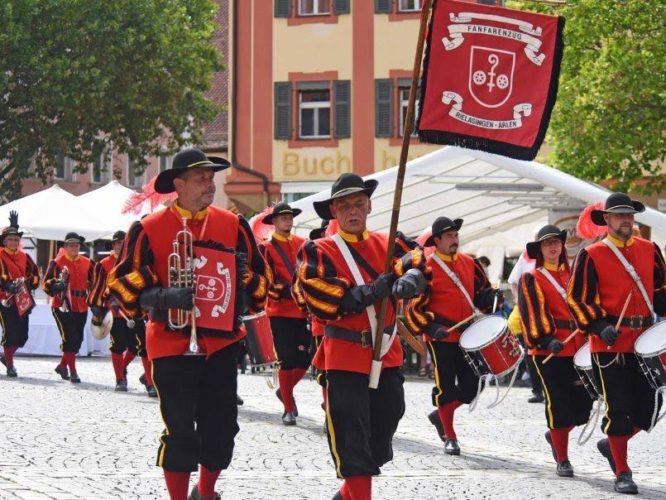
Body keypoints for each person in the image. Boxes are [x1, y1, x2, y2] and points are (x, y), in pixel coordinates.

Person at [107, 148, 268, 500]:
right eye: (201, 179)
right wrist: (162, 297)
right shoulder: (147, 228)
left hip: (222, 345)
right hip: (170, 344)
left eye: (211, 178)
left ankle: (205, 492)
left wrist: (242, 281)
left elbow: (261, 286)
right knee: (180, 432)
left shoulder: (233, 224)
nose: (210, 184)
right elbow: (120, 287)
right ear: (178, 184)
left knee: (222, 430)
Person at [297, 172, 426, 500]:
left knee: (385, 424)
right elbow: (321, 298)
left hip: (387, 353)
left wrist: (411, 277)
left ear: (369, 206)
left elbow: (418, 261)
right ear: (334, 212)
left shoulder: (389, 243)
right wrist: (370, 291)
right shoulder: (318, 250)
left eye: (358, 203)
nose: (352, 211)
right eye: (344, 206)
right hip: (343, 356)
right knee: (352, 439)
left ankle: (347, 493)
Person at [567, 192, 666, 495]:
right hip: (610, 345)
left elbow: (661, 291)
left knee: (651, 406)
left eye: (629, 215)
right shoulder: (593, 254)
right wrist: (598, 324)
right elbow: (577, 298)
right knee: (619, 407)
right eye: (619, 215)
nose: (625, 220)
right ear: (607, 220)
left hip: (645, 341)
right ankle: (622, 471)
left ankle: (612, 444)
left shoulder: (650, 249)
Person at [404, 216, 500, 455]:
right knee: (445, 386)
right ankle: (450, 435)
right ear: (436, 240)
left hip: (468, 334)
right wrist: (429, 327)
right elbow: (412, 306)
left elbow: (482, 295)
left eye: (456, 235)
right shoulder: (425, 266)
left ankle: (441, 414)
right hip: (440, 335)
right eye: (449, 236)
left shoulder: (470, 262)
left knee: (474, 385)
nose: (454, 239)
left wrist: (491, 298)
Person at [517, 225, 592, 478]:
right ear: (540, 249)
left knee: (583, 406)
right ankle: (563, 458)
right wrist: (546, 340)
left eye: (557, 242)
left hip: (578, 348)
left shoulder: (575, 276)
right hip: (548, 351)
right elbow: (531, 314)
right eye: (547, 243)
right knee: (558, 403)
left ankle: (555, 434)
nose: (553, 247)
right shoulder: (532, 278)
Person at [258, 203, 311, 425]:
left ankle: (284, 390)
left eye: (290, 217)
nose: (287, 220)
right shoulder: (266, 247)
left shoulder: (304, 244)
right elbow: (265, 278)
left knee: (306, 359)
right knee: (286, 361)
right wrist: (279, 290)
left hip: (301, 310)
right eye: (283, 217)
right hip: (278, 311)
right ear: (275, 222)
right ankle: (288, 409)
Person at [88, 230, 156, 396]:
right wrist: (97, 305)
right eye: (117, 243)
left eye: (122, 243)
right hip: (115, 312)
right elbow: (98, 287)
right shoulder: (103, 264)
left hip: (136, 311)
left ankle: (147, 380)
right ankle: (120, 379)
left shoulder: (135, 261)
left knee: (141, 348)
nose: (119, 246)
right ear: (113, 245)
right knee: (118, 346)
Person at [43, 232, 93, 383]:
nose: (74, 247)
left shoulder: (88, 262)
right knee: (70, 338)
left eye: (76, 245)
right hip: (62, 304)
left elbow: (95, 282)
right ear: (65, 247)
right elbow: (45, 283)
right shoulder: (57, 262)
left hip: (82, 304)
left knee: (77, 340)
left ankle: (62, 366)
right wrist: (55, 285)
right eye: (71, 245)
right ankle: (73, 372)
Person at [0, 211, 39, 377]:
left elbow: (35, 274)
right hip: (4, 299)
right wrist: (7, 285)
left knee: (22, 337)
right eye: (10, 239)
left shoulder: (25, 256)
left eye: (16, 239)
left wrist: (29, 283)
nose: (14, 242)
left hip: (22, 300)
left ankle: (5, 356)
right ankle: (10, 365)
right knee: (10, 333)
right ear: (4, 241)